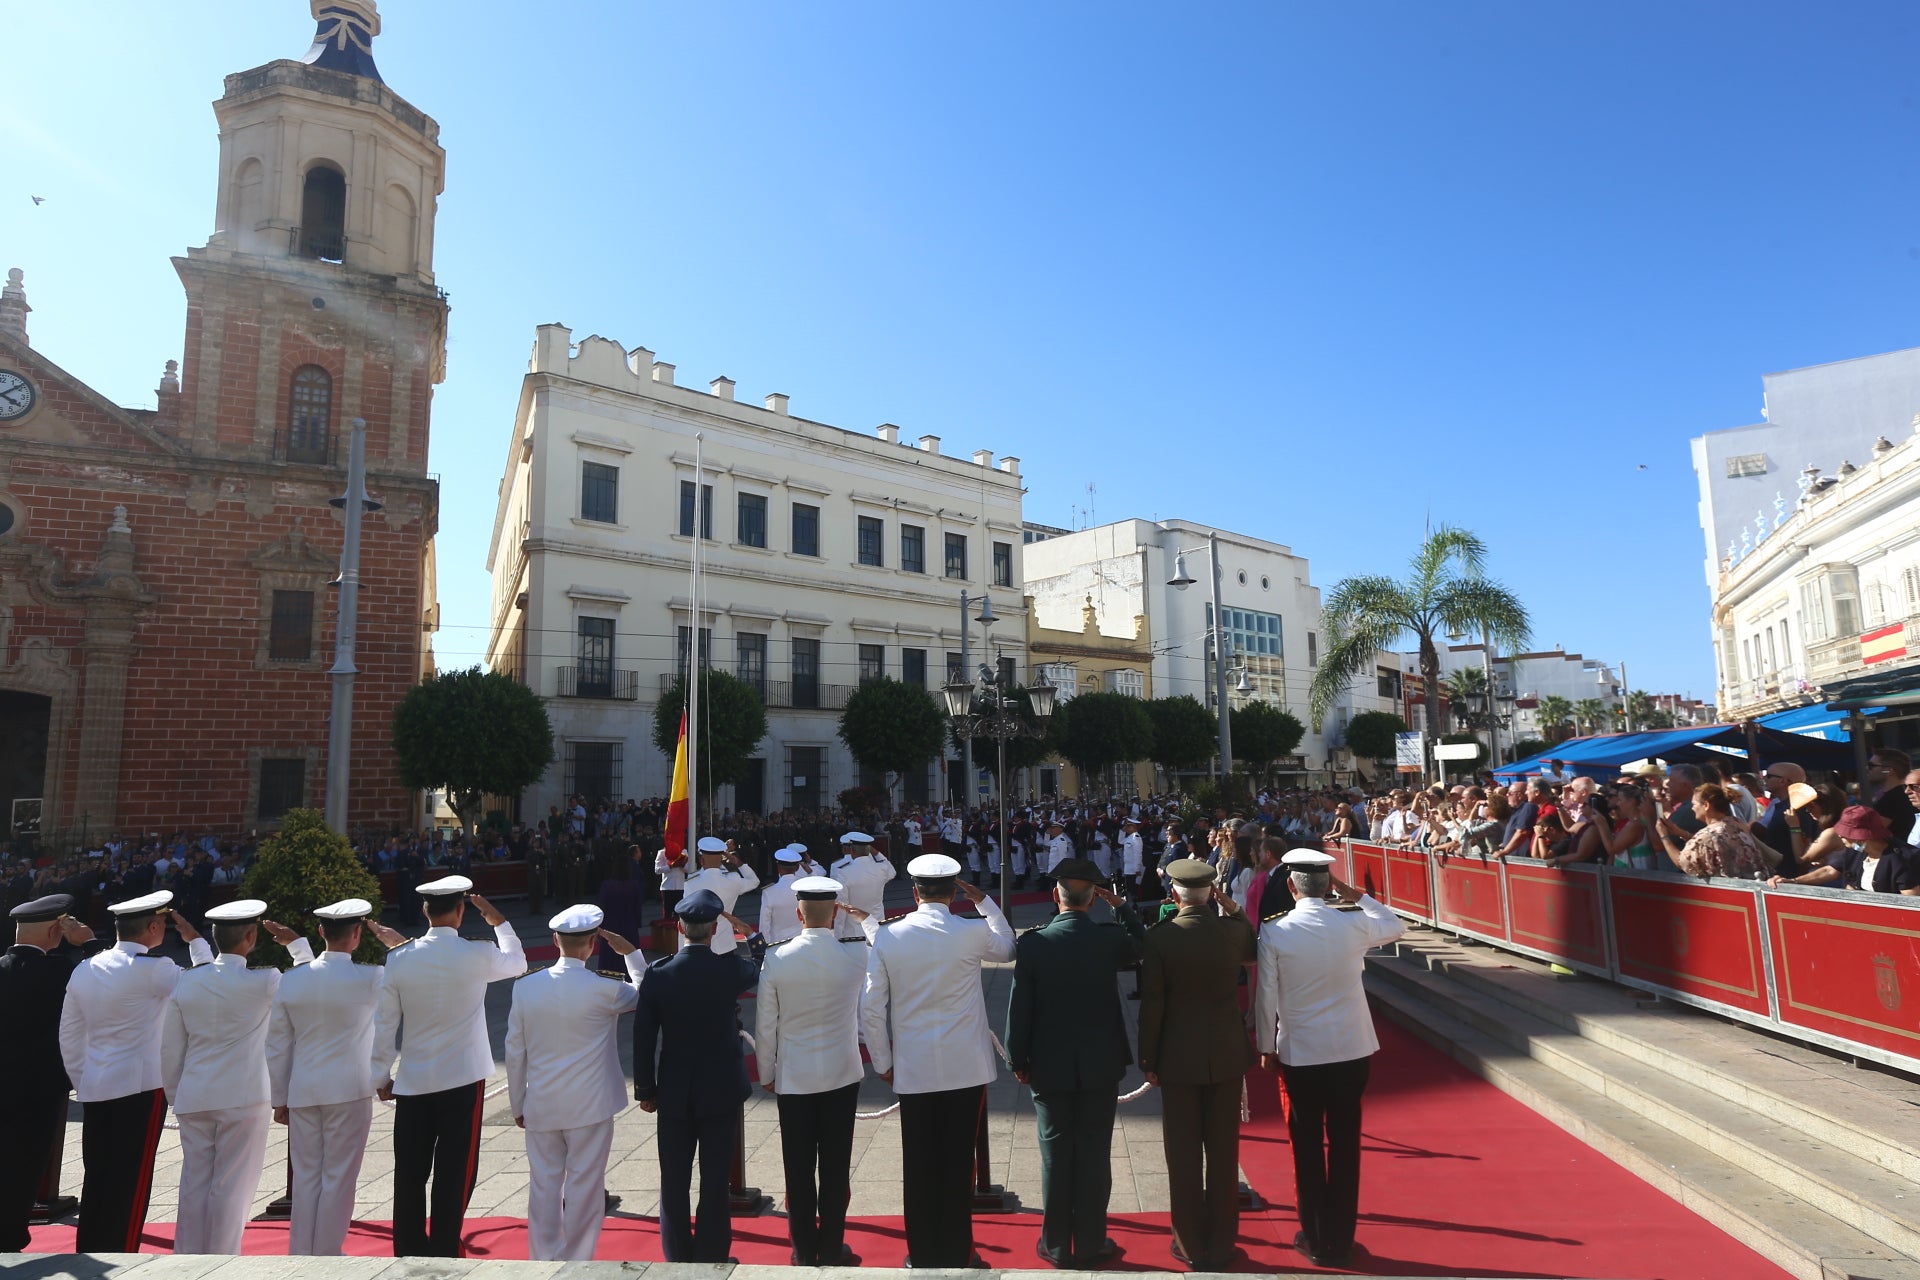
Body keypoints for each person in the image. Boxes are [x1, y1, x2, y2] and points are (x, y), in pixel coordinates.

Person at [861, 853, 1016, 1267]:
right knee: (958, 1161)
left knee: (920, 1162)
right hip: (965, 1066)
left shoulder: (889, 937)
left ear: (914, 893)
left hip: (913, 1066)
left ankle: (923, 1251)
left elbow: (872, 1006)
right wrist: (985, 903)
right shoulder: (969, 931)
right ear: (953, 894)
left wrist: (882, 1061)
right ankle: (957, 1249)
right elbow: (1008, 947)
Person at [1254, 851, 1404, 1268]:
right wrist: (1355, 894)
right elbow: (1395, 925)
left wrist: (1266, 1046)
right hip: (1351, 1048)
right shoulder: (1352, 921)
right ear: (1329, 885)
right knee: (1344, 1143)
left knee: (1305, 1145)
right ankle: (1341, 1236)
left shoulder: (1276, 931)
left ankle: (1317, 1237)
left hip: (1302, 1051)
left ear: (1290, 886)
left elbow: (1266, 995)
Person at [372, 875, 525, 1257]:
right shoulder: (476, 953)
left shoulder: (399, 959)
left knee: (409, 1172)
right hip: (462, 1078)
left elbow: (384, 1024)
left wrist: (379, 1075)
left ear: (425, 910)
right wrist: (499, 921)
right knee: (455, 1170)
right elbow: (519, 962)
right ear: (461, 911)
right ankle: (444, 1246)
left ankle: (407, 1248)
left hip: (413, 1079)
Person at [1004, 858, 1146, 1267]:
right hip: (1100, 1064)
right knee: (1094, 1153)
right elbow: (1142, 943)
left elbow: (1020, 1008)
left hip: (1048, 1065)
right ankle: (1090, 1242)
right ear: (1093, 901)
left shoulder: (1034, 942)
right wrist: (1120, 907)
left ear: (1055, 896)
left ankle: (1054, 1243)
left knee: (1055, 1155)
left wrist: (1017, 1056)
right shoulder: (1108, 939)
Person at [61, 890, 213, 1252]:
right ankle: (123, 1253)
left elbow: (69, 1033)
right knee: (131, 1181)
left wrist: (84, 1078)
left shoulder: (86, 968)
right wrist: (198, 945)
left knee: (98, 1176)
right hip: (141, 1089)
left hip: (96, 1086)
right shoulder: (155, 969)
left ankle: (91, 1248)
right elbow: (207, 989)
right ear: (155, 926)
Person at [161, 898, 313, 1254]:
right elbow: (307, 983)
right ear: (251, 936)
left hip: (194, 1094)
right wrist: (298, 946)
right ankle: (222, 1259)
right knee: (232, 1185)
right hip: (243, 1097)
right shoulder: (265, 981)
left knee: (194, 1183)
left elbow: (171, 1049)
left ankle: (186, 1258)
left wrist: (174, 1094)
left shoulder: (187, 982)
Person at [506, 904, 646, 1261]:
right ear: (592, 945)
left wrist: (517, 1104)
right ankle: (578, 1259)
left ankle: (543, 1259)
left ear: (555, 940)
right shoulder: (606, 989)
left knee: (543, 1185)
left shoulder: (526, 988)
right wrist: (631, 954)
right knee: (585, 1185)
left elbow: (515, 1052)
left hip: (542, 1102)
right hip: (591, 1104)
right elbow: (647, 993)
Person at [267, 898, 403, 1256]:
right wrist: (398, 943)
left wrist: (279, 1098)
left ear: (321, 932)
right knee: (339, 1178)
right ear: (358, 933)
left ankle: (302, 1253)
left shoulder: (292, 981)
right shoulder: (372, 977)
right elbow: (405, 981)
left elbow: (276, 1046)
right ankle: (327, 1255)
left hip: (304, 1089)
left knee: (307, 1178)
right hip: (350, 1088)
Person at [1138, 857, 1255, 1271]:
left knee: (1183, 1154)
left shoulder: (1160, 937)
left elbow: (1153, 1002)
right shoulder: (1231, 932)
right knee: (1224, 1153)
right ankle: (1221, 1243)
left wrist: (1148, 1057)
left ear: (1174, 895)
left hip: (1177, 1055)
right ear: (1213, 895)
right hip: (1225, 1052)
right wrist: (1234, 908)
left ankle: (1189, 1243)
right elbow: (1250, 940)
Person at [632, 888, 761, 1263]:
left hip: (673, 1089)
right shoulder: (728, 969)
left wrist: (645, 1088)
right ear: (714, 928)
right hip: (720, 1090)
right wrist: (748, 933)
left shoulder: (659, 973)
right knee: (715, 1180)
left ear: (679, 927)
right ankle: (712, 1252)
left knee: (673, 1180)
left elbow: (643, 1035)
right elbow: (762, 960)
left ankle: (676, 1254)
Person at [756, 877, 876, 1266]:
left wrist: (766, 1072)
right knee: (837, 1168)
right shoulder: (856, 954)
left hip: (795, 1077)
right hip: (842, 1075)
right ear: (835, 913)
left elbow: (765, 1025)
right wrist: (866, 921)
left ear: (798, 913)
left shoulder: (777, 957)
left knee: (799, 1168)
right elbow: (885, 946)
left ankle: (804, 1249)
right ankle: (831, 1245)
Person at [0, 895, 98, 1252]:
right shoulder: (62, 972)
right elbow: (107, 977)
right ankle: (9, 1236)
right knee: (26, 1165)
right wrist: (88, 942)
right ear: (57, 930)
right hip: (40, 1091)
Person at [1652, 783, 1774, 880]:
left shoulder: (1708, 834)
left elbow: (1682, 862)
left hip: (1729, 893)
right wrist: (1681, 833)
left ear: (1706, 805)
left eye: (1694, 804)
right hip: (1751, 883)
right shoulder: (1736, 822)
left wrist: (1664, 837)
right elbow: (1711, 843)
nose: (1692, 808)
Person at [681, 836, 757, 954]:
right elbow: (754, 881)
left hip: (700, 946)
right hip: (726, 944)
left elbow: (686, 916)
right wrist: (738, 862)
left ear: (701, 860)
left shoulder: (691, 882)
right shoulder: (733, 879)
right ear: (722, 858)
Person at [831, 831, 896, 941]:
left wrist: (838, 935)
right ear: (869, 849)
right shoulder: (881, 868)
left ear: (852, 850)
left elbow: (842, 907)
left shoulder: (844, 872)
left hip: (854, 932)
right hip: (877, 927)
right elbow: (892, 871)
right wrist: (876, 853)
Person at [759, 848, 805, 946]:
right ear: (797, 868)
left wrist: (765, 945)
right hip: (802, 941)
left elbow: (764, 924)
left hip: (778, 944)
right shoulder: (805, 886)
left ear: (778, 868)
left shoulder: (769, 891)